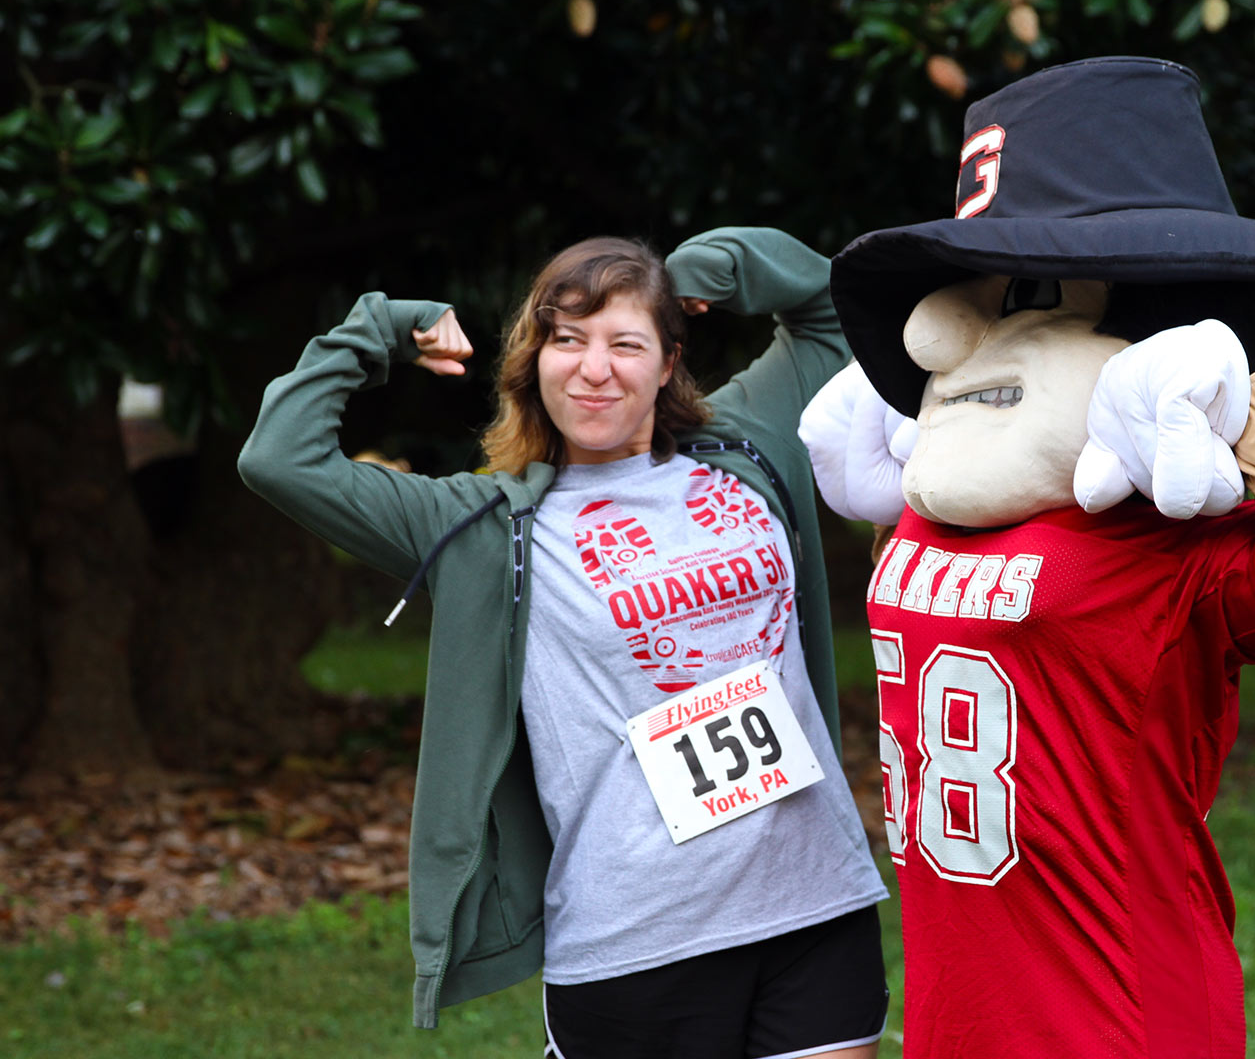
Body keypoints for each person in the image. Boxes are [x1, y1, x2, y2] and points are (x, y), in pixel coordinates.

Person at [800, 58, 1255, 1057]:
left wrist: (1243, 380)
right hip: (961, 999)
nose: (997, 328)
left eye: (1046, 289)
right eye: (991, 288)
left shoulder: (1174, 539)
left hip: (1118, 1009)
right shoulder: (939, 492)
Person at [239, 227, 889, 1059]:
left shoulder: (743, 445)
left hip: (813, 901)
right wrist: (382, 329)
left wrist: (710, 265)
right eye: (567, 339)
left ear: (668, 361)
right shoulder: (483, 524)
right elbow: (279, 458)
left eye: (627, 342)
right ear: (532, 361)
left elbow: (834, 312)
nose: (593, 367)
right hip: (639, 938)